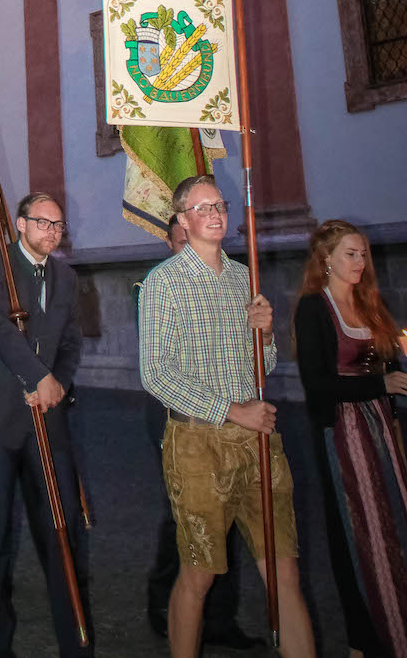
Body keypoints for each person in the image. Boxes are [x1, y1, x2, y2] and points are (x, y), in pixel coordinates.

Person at [139, 175, 315, 658]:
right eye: (202, 208)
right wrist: (233, 411)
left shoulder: (245, 278)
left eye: (219, 205)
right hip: (199, 445)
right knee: (201, 573)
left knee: (284, 572)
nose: (215, 214)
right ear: (182, 221)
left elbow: (264, 364)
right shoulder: (164, 284)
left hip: (258, 442)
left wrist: (264, 334)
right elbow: (156, 374)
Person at [0, 191, 89, 658]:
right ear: (19, 224)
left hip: (47, 420)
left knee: (63, 530)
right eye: (43, 223)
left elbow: (72, 341)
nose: (52, 232)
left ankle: (75, 643)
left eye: (58, 225)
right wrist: (36, 376)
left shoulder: (66, 276)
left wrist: (56, 383)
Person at [144, 217, 261, 650]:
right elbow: (157, 369)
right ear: (172, 242)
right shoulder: (159, 287)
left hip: (234, 426)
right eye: (178, 243)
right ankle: (164, 603)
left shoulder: (229, 279)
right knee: (183, 520)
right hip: (178, 419)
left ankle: (221, 617)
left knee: (230, 523)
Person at [294, 219, 407, 658]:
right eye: (350, 254)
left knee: (394, 522)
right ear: (326, 258)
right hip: (341, 433)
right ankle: (367, 638)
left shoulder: (370, 303)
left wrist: (392, 387)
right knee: (358, 533)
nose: (360, 262)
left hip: (380, 428)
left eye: (362, 254)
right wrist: (383, 385)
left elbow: (389, 367)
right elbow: (317, 384)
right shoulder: (313, 308)